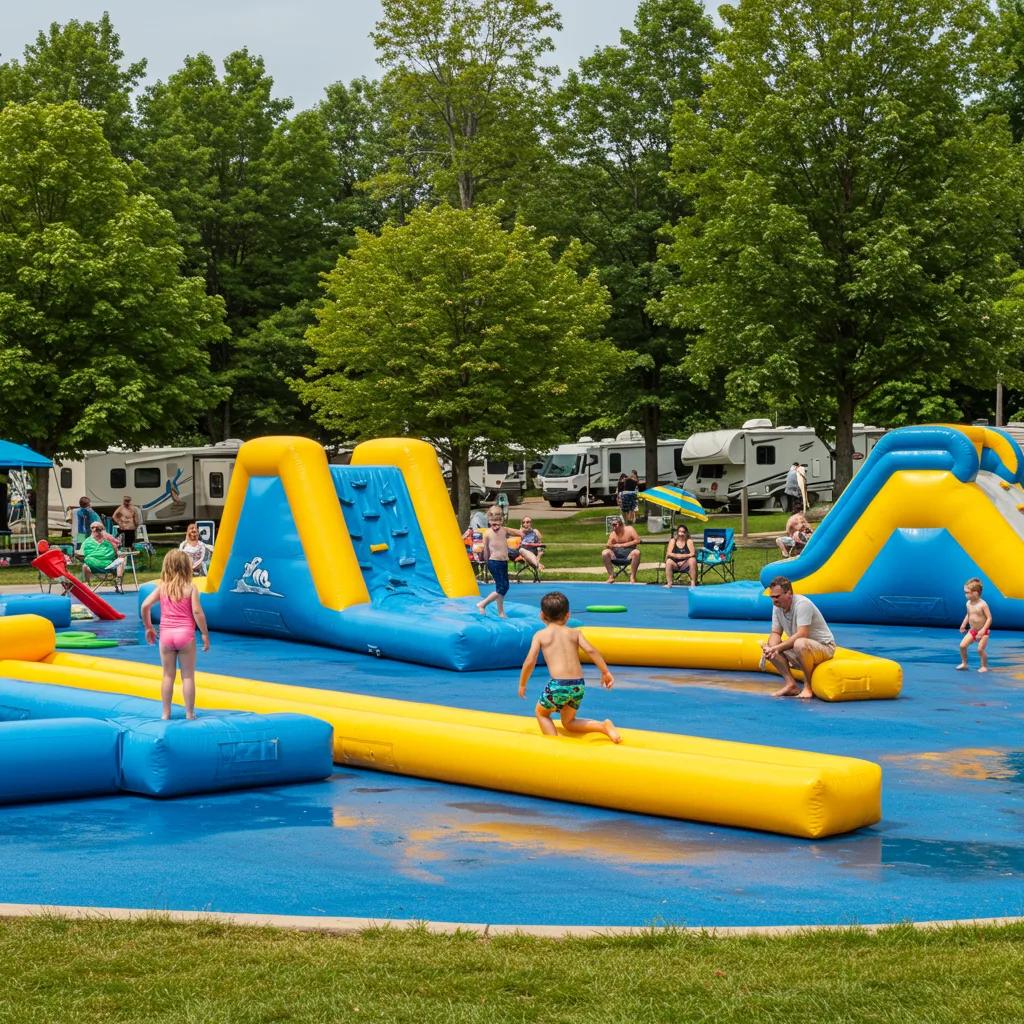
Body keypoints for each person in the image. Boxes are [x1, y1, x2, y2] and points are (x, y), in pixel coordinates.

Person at [518, 591, 620, 742]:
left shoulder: (540, 635)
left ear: (542, 615)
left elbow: (530, 661)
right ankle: (603, 726)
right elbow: (591, 650)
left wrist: (522, 684)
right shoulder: (575, 633)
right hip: (578, 685)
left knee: (541, 713)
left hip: (559, 685)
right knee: (569, 723)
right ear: (568, 615)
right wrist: (605, 672)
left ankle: (554, 745)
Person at [141, 550, 210, 720]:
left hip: (166, 635)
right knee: (187, 676)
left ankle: (166, 713)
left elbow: (145, 606)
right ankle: (189, 713)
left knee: (167, 676)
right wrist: (204, 634)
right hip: (185, 635)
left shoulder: (162, 588)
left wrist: (148, 627)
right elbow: (197, 611)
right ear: (186, 567)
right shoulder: (191, 588)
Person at [762, 576, 835, 699]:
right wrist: (772, 648)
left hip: (824, 647)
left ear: (789, 593)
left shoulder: (802, 604)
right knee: (770, 645)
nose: (774, 600)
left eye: (777, 596)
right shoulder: (777, 607)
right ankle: (791, 684)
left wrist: (777, 648)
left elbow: (802, 634)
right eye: (772, 597)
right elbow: (775, 632)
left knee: (799, 643)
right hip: (802, 648)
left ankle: (808, 686)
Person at [476, 505, 521, 618]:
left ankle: (501, 612)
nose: (495, 523)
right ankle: (482, 604)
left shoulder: (504, 530)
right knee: (502, 588)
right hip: (493, 562)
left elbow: (517, 532)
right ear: (489, 521)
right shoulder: (487, 533)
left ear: (502, 520)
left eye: (498, 520)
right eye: (492, 520)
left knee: (501, 587)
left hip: (503, 562)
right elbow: (486, 549)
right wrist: (486, 561)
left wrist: (523, 531)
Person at [958, 577, 992, 673]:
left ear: (975, 593)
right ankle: (964, 663)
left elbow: (989, 618)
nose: (965, 594)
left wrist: (983, 630)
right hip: (973, 630)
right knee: (962, 646)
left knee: (980, 649)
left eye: (967, 592)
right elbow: (969, 614)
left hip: (983, 631)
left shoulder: (983, 604)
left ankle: (984, 666)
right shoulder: (968, 603)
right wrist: (963, 624)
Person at [81, 521, 126, 592]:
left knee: (121, 560)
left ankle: (118, 582)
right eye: (93, 528)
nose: (95, 530)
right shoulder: (87, 542)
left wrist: (120, 553)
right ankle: (87, 585)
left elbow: (117, 552)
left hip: (109, 565)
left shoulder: (109, 540)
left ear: (102, 530)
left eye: (98, 528)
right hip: (94, 566)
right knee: (85, 566)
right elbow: (81, 554)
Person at [602, 516, 641, 583]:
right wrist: (610, 545)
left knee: (637, 552)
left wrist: (622, 545)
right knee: (605, 552)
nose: (614, 527)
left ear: (621, 525)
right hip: (616, 555)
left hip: (629, 554)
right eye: (612, 525)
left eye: (615, 525)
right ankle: (611, 576)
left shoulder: (630, 529)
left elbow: (637, 540)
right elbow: (608, 546)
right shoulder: (612, 534)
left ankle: (632, 576)